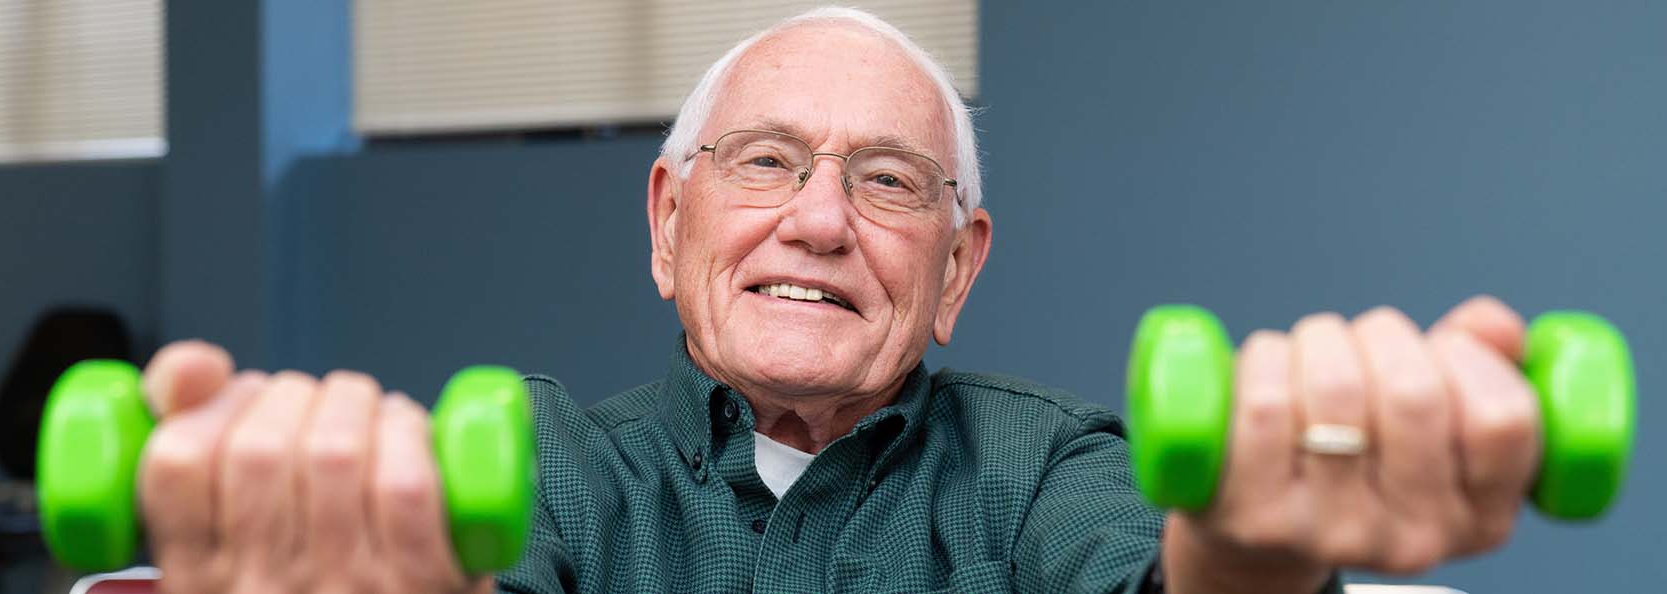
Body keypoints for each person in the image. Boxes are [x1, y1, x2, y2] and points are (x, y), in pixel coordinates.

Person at [133, 7, 1542, 594]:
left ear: (956, 268)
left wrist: (1245, 540)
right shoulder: (539, 453)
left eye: (885, 180)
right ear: (667, 222)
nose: (816, 216)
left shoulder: (1049, 463)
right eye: (762, 164)